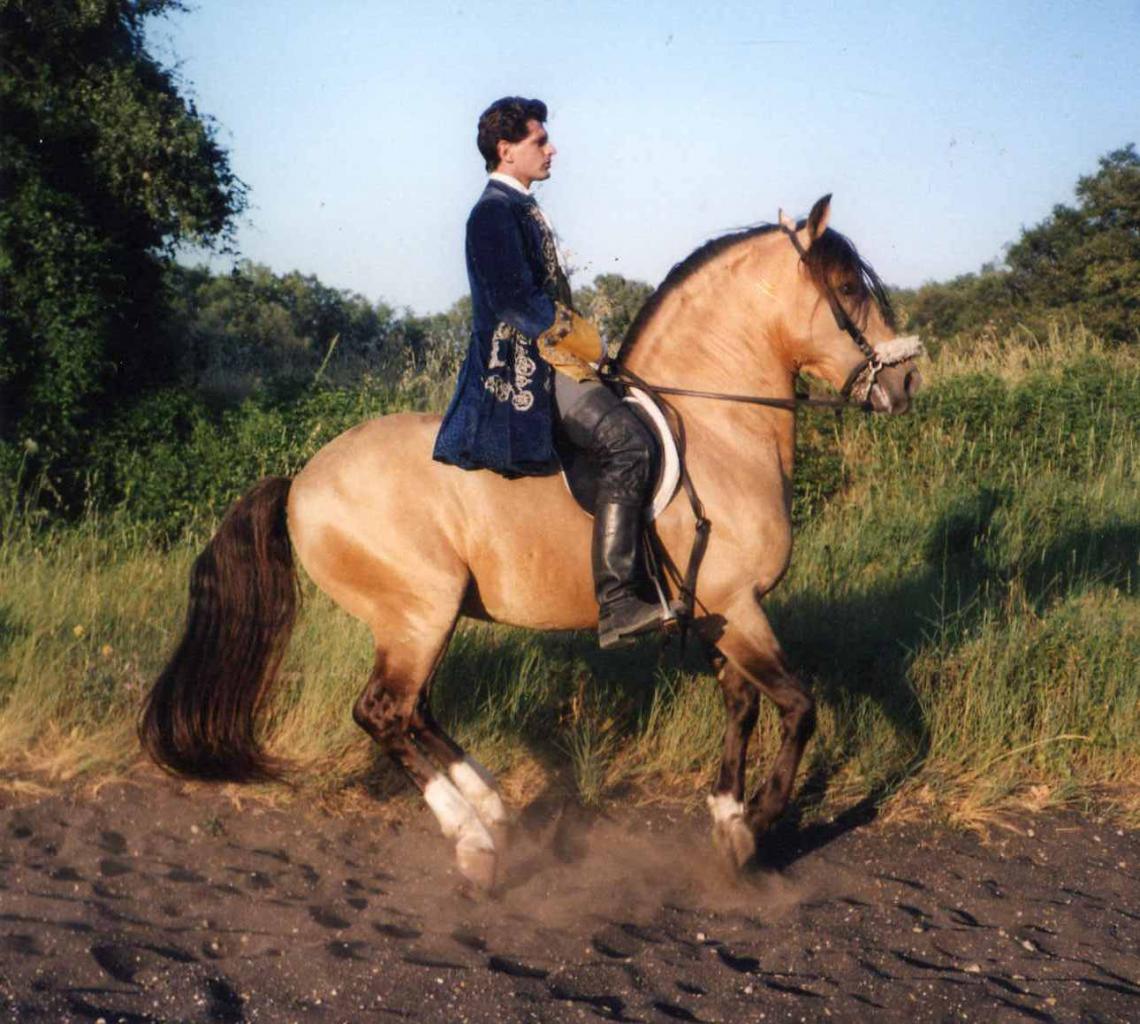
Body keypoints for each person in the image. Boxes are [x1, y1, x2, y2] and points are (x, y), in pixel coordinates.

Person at [432, 96, 665, 649]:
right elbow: (515, 299)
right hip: (526, 367)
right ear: (506, 150)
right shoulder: (492, 212)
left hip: (552, 354)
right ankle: (617, 602)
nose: (551, 148)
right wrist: (583, 340)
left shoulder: (520, 206)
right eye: (540, 140)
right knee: (628, 444)